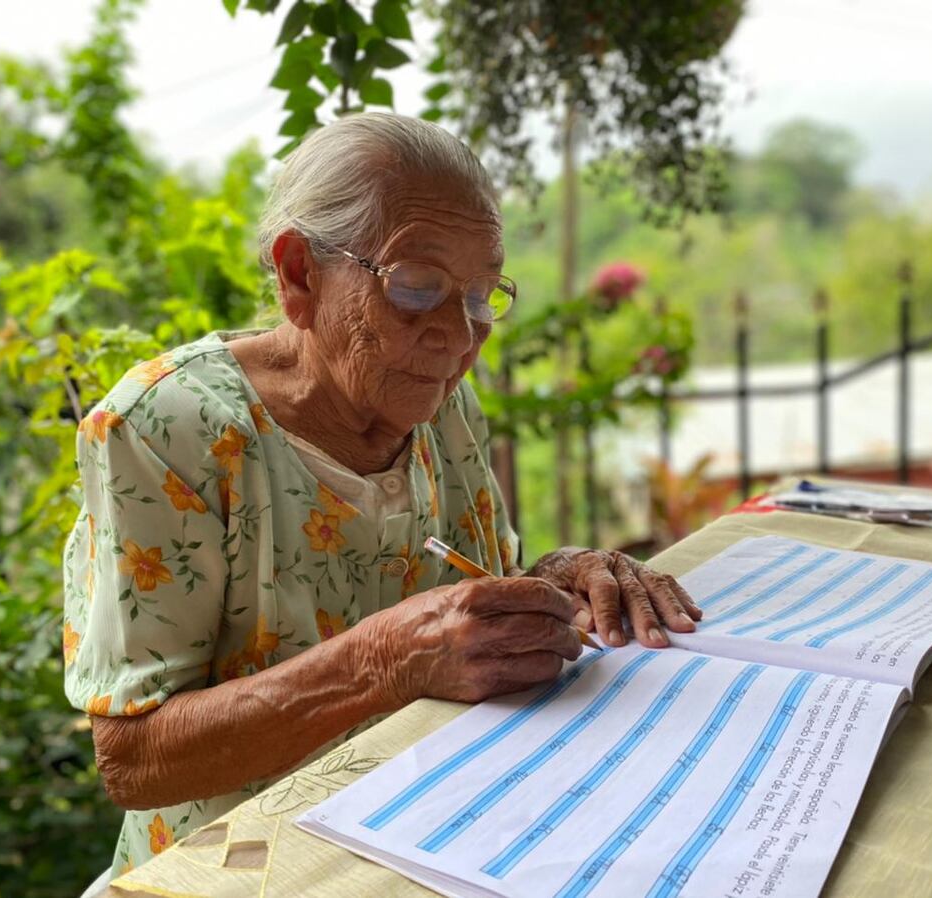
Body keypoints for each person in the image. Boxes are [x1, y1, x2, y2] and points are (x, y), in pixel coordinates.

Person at [62, 112, 703, 879]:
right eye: (417, 286)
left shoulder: (436, 395)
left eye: (477, 298)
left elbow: (467, 590)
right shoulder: (170, 429)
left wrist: (559, 576)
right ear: (299, 273)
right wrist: (383, 663)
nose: (458, 338)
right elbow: (133, 762)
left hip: (442, 837)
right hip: (245, 873)